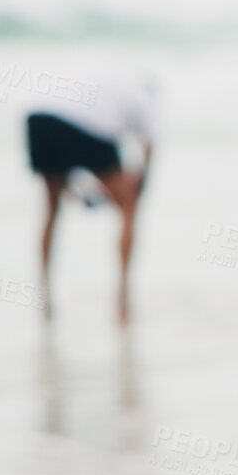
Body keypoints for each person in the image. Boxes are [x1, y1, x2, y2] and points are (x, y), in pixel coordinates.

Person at [25, 77, 162, 322]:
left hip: (38, 119)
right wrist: (136, 188)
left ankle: (44, 295)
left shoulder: (112, 89)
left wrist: (91, 192)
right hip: (85, 125)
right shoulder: (146, 100)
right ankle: (122, 299)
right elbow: (148, 152)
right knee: (129, 207)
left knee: (51, 208)